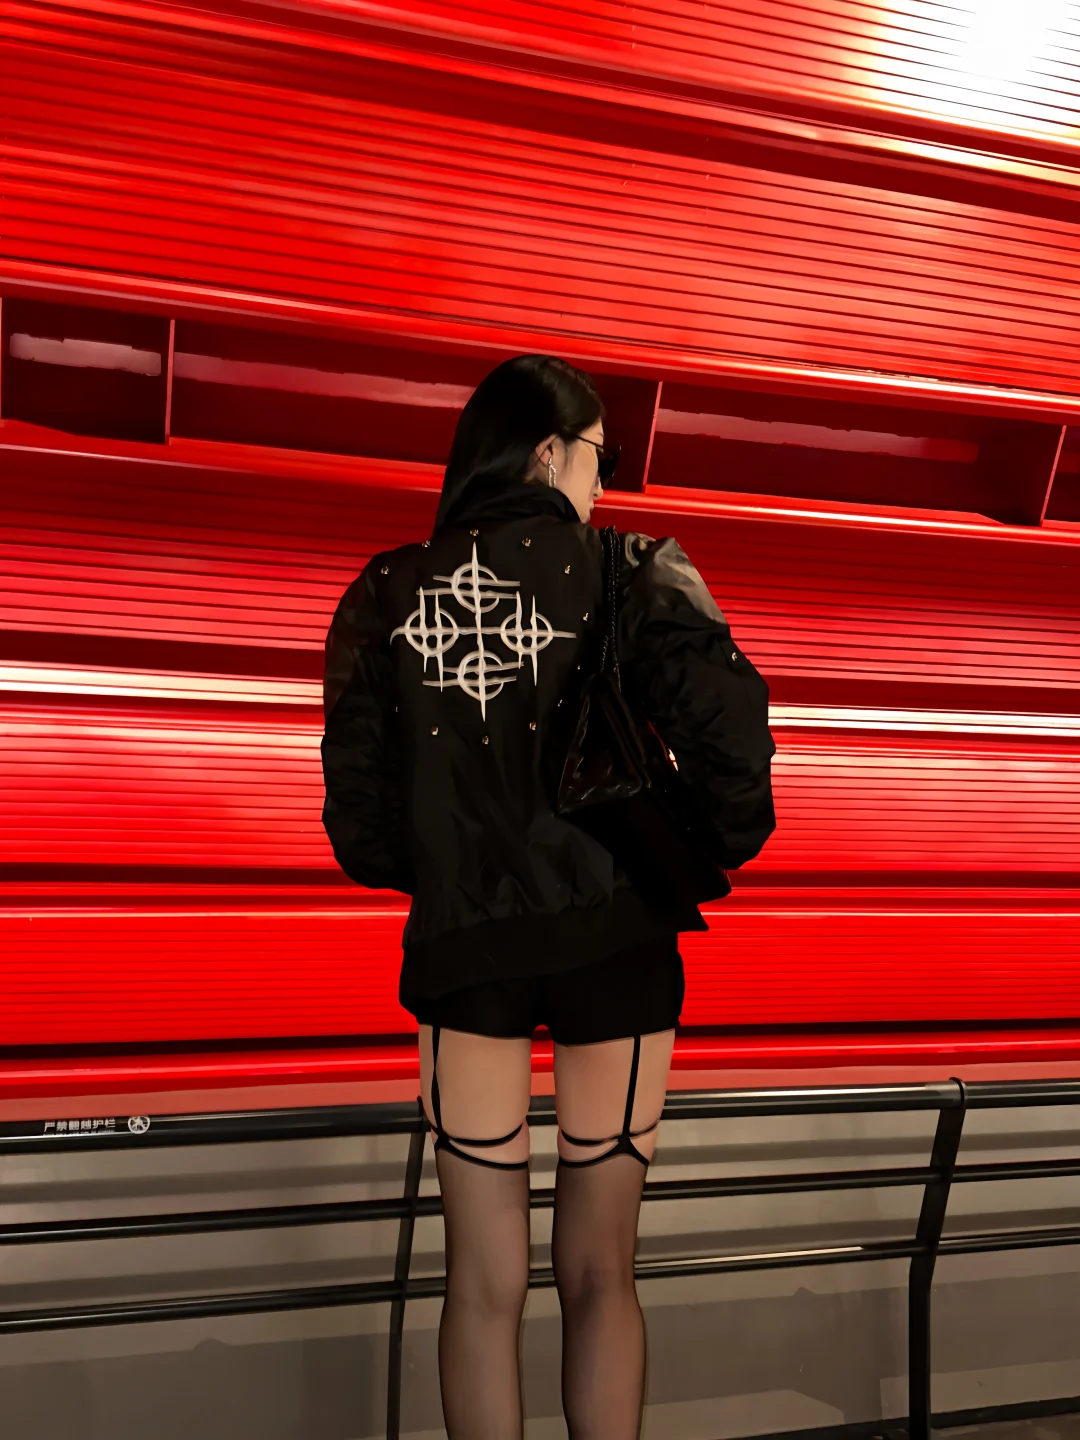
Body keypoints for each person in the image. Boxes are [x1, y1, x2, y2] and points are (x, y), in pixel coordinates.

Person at [321, 354, 776, 1439]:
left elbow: (361, 824)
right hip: (616, 941)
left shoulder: (385, 592)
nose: (604, 484)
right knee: (603, 1270)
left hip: (464, 949)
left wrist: (455, 862)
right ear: (546, 451)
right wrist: (684, 849)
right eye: (600, 459)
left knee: (480, 1283)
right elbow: (738, 754)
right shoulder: (632, 570)